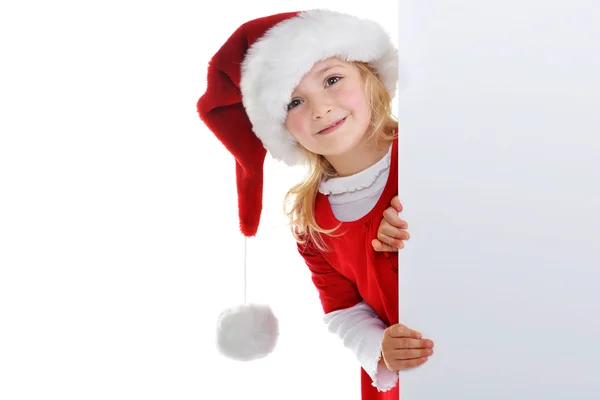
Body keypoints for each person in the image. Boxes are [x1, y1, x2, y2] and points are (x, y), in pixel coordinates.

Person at [197, 9, 434, 400]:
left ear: (369, 74)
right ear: (281, 128)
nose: (321, 108)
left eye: (333, 79)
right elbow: (342, 309)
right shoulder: (313, 223)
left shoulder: (427, 152)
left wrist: (424, 218)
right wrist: (379, 348)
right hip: (411, 377)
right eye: (294, 102)